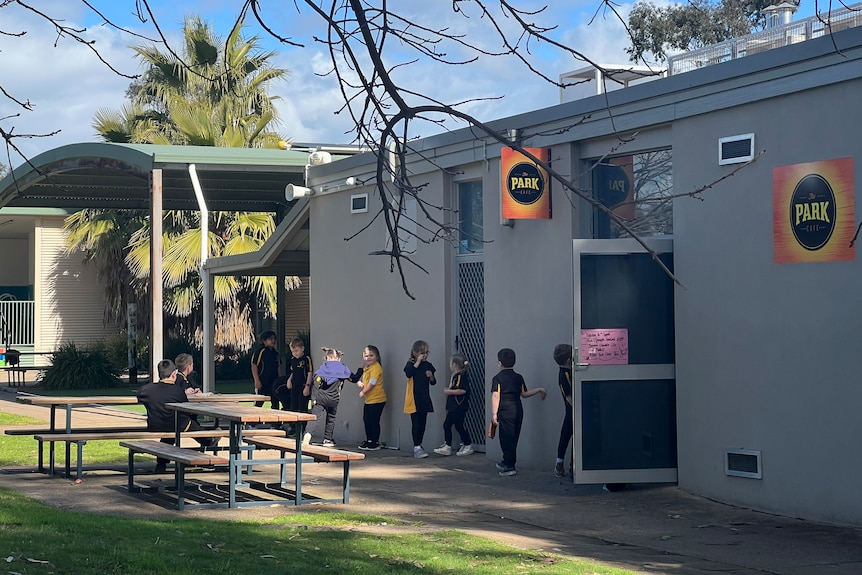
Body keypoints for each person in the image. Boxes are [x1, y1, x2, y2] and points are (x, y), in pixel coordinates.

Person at [136, 359, 218, 474]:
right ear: (173, 374)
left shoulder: (146, 390)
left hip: (156, 425)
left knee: (170, 432)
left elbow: (140, 395)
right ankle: (208, 441)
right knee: (190, 425)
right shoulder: (178, 391)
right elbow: (186, 407)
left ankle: (161, 464)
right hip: (178, 425)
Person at [491, 347, 546, 477]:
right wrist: (539, 390)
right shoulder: (518, 377)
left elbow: (495, 396)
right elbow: (524, 394)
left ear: (500, 363)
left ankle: (510, 466)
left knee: (505, 438)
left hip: (504, 411)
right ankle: (506, 461)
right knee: (514, 437)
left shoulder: (497, 378)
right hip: (517, 410)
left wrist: (494, 414)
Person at [306, 347, 363, 447]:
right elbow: (354, 379)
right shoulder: (342, 368)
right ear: (338, 358)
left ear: (327, 357)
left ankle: (308, 434)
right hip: (334, 399)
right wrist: (361, 368)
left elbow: (316, 382)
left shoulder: (323, 368)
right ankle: (327, 439)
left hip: (320, 398)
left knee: (314, 418)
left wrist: (313, 398)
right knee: (331, 418)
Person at [433, 353, 474, 456]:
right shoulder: (456, 375)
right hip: (453, 406)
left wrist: (449, 391)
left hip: (459, 406)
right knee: (447, 425)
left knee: (459, 426)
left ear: (455, 364)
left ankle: (468, 445)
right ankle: (448, 446)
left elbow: (463, 390)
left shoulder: (461, 376)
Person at [403, 340, 436, 459]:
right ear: (415, 353)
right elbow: (408, 373)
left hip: (424, 398)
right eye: (422, 353)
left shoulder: (428, 365)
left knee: (422, 423)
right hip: (414, 398)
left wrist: (431, 376)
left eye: (427, 352)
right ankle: (416, 446)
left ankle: (419, 444)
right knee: (416, 423)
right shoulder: (411, 363)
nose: (425, 355)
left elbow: (433, 382)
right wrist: (417, 362)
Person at [279, 337, 314, 438]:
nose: (295, 353)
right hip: (295, 386)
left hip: (303, 386)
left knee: (302, 408)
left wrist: (307, 386)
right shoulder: (293, 360)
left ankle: (303, 429)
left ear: (302, 349)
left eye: (296, 351)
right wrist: (289, 380)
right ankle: (293, 428)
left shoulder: (306, 359)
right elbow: (293, 372)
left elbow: (309, 372)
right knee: (293, 407)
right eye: (293, 351)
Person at [356, 344, 386, 451]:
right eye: (366, 356)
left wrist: (363, 392)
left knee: (374, 421)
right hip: (369, 400)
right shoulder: (367, 368)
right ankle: (369, 440)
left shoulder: (376, 368)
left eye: (371, 355)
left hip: (377, 399)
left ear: (377, 357)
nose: (368, 358)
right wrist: (360, 383)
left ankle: (375, 441)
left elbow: (372, 383)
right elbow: (366, 381)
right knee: (367, 420)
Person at [552, 344, 574, 478]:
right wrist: (579, 408)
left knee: (565, 435)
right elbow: (568, 396)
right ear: (568, 359)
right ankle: (571, 466)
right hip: (572, 411)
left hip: (570, 411)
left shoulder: (567, 372)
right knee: (572, 437)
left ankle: (560, 462)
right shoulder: (564, 374)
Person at [251, 330, 280, 409]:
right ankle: (254, 419)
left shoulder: (275, 353)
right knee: (259, 401)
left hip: (273, 382)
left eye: (274, 339)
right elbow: (254, 365)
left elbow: (278, 366)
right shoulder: (261, 351)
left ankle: (275, 419)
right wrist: (257, 380)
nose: (273, 341)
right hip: (263, 381)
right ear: (264, 340)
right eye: (270, 339)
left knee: (275, 401)